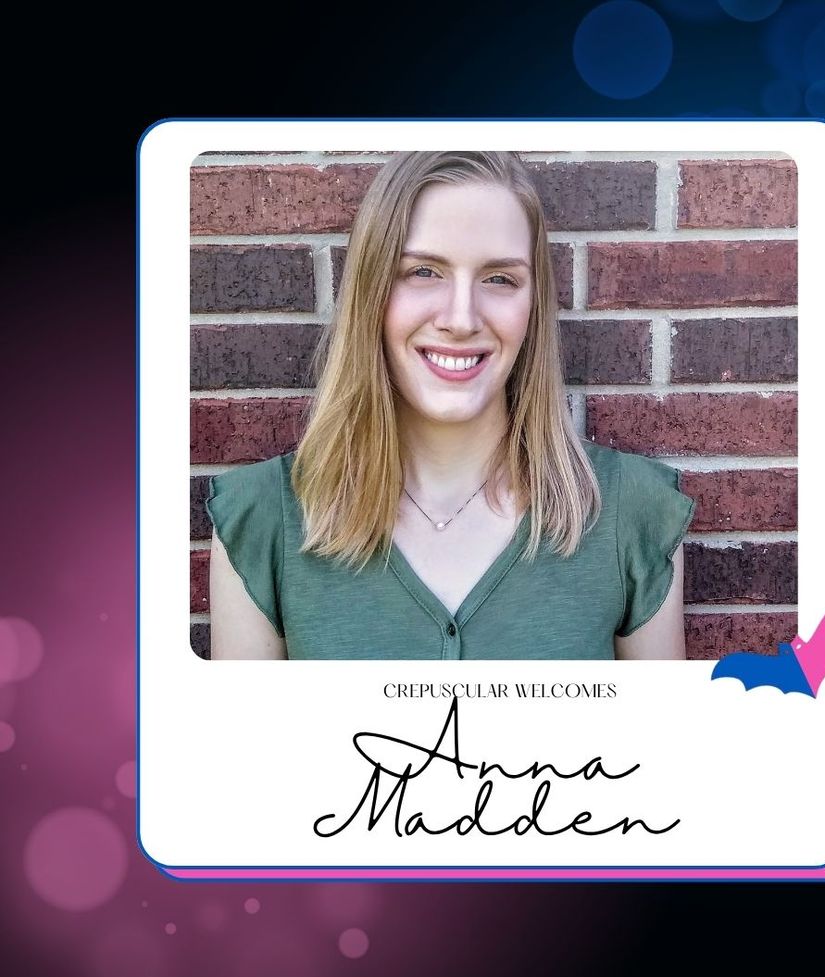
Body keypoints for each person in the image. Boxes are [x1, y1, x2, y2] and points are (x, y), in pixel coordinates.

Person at [206, 151, 695, 660]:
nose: (461, 319)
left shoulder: (633, 514)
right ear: (371, 291)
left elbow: (656, 742)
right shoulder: (261, 521)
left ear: (533, 305)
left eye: (500, 279)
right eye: (422, 271)